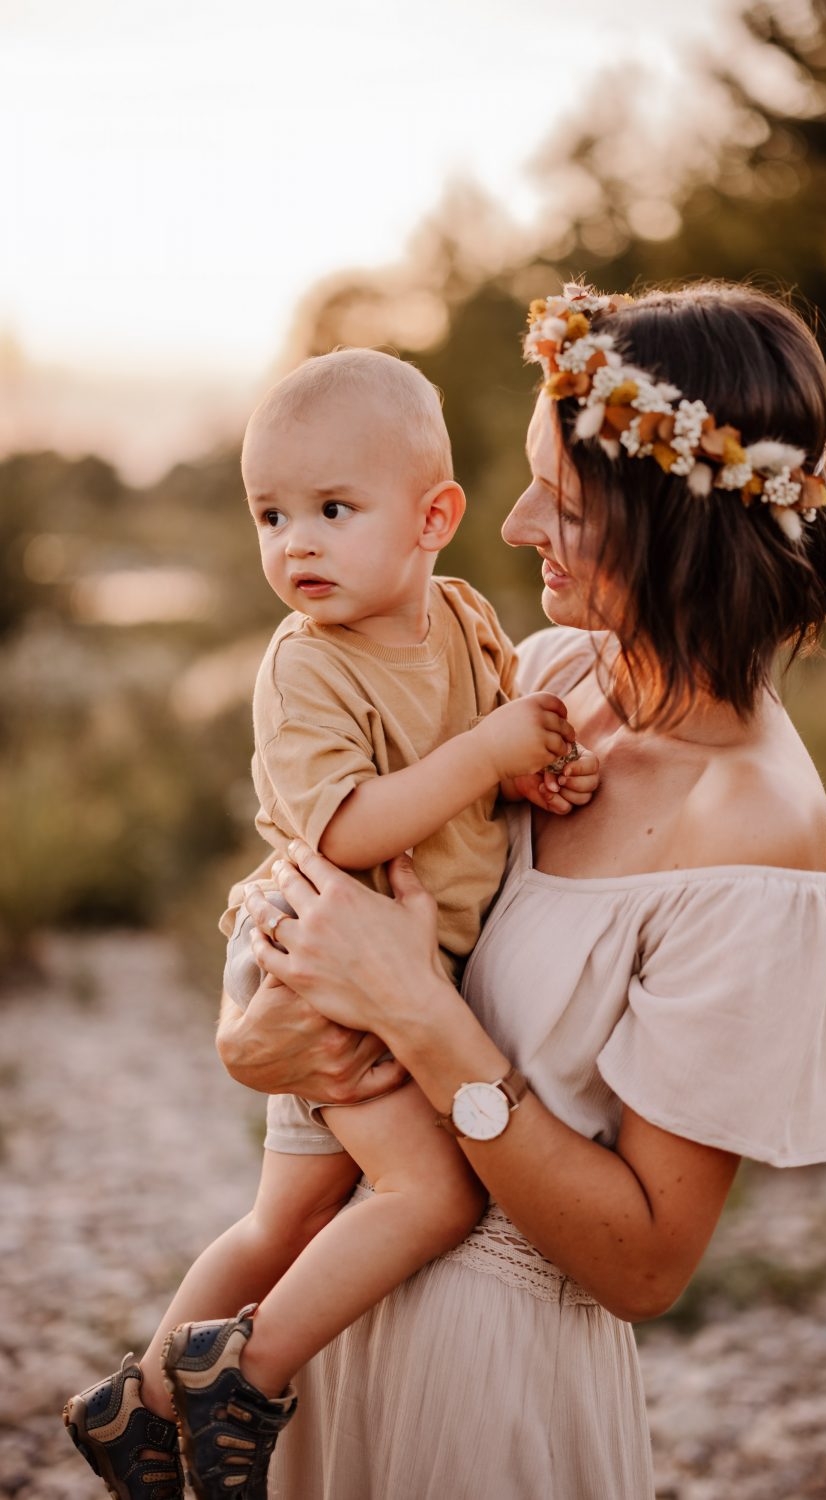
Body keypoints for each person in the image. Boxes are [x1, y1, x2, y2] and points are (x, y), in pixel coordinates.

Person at [220, 280, 826, 1500]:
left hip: (489, 1385)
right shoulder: (549, 676)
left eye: (562, 504)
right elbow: (342, 859)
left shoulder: (750, 824)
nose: (517, 526)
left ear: (675, 527)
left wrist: (417, 1014)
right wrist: (261, 1021)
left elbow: (643, 1266)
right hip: (334, 1319)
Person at [62, 347, 599, 1500]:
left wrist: (530, 775)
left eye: (332, 511)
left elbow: (484, 754)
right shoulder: (303, 669)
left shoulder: (462, 618)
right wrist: (487, 756)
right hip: (322, 963)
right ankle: (237, 1379)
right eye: (270, 516)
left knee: (290, 1214)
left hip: (383, 964)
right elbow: (345, 827)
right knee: (432, 1195)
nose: (294, 544)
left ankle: (136, 1405)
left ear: (433, 518)